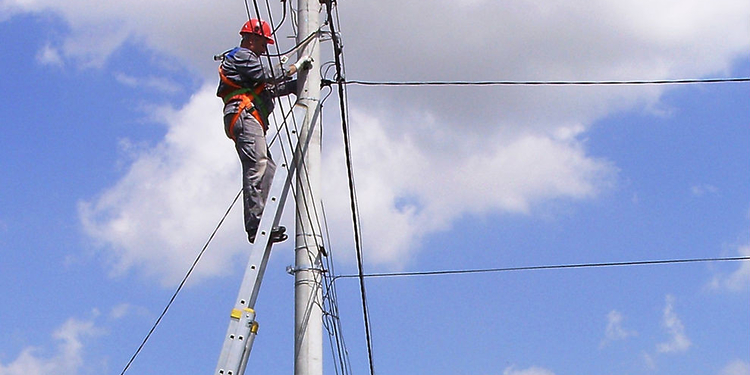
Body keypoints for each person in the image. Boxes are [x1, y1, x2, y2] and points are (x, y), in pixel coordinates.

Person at [217, 18, 312, 244]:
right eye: (263, 43)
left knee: (267, 167)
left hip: (250, 116)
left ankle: (264, 220)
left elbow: (271, 87)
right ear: (251, 39)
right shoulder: (242, 56)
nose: (264, 48)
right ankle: (256, 225)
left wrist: (304, 82)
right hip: (244, 114)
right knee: (258, 165)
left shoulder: (251, 65)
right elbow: (269, 75)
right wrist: (294, 68)